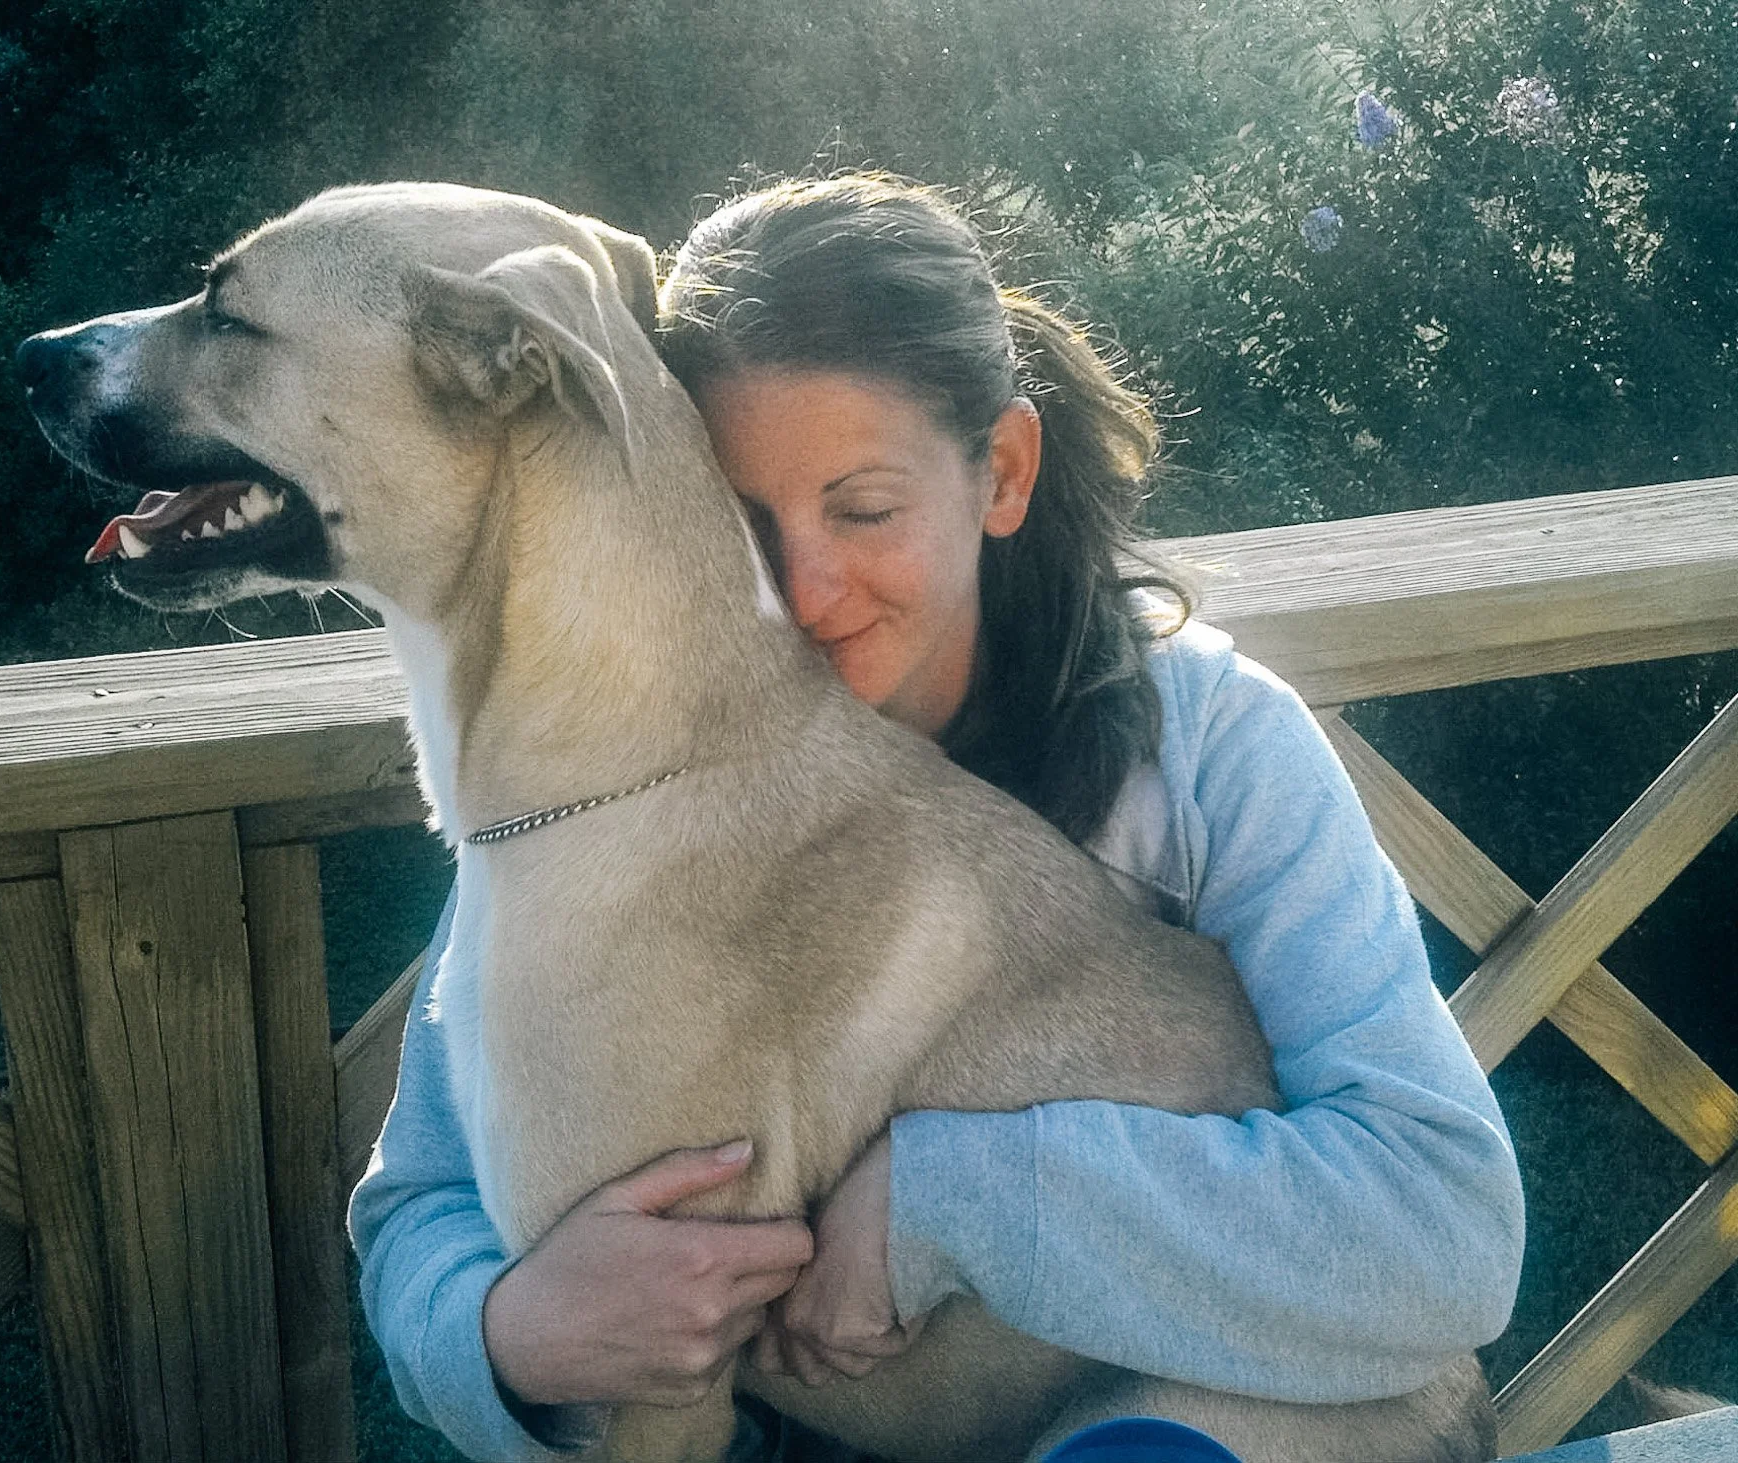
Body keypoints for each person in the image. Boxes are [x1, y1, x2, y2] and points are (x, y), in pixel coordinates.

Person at [347, 173, 1525, 1461]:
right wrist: (510, 1331)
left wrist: (955, 1200)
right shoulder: (599, 783)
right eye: (740, 526)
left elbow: (1445, 1235)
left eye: (864, 509)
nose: (805, 586)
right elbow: (418, 1205)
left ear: (1002, 472)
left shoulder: (1209, 752)